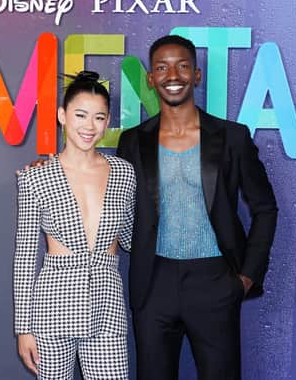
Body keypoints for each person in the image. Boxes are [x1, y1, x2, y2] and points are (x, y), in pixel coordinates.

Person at [116, 35, 278, 380]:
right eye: (161, 67)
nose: (172, 74)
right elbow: (107, 190)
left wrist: (246, 276)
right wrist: (51, 166)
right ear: (150, 78)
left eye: (182, 65)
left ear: (197, 75)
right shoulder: (132, 141)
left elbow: (265, 208)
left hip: (214, 281)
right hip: (153, 283)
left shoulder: (232, 136)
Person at [13, 71, 136, 380]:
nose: (89, 126)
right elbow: (26, 256)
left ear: (107, 122)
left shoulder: (124, 173)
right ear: (62, 116)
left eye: (99, 117)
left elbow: (134, 239)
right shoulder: (36, 177)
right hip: (52, 306)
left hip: (107, 305)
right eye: (80, 114)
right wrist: (23, 329)